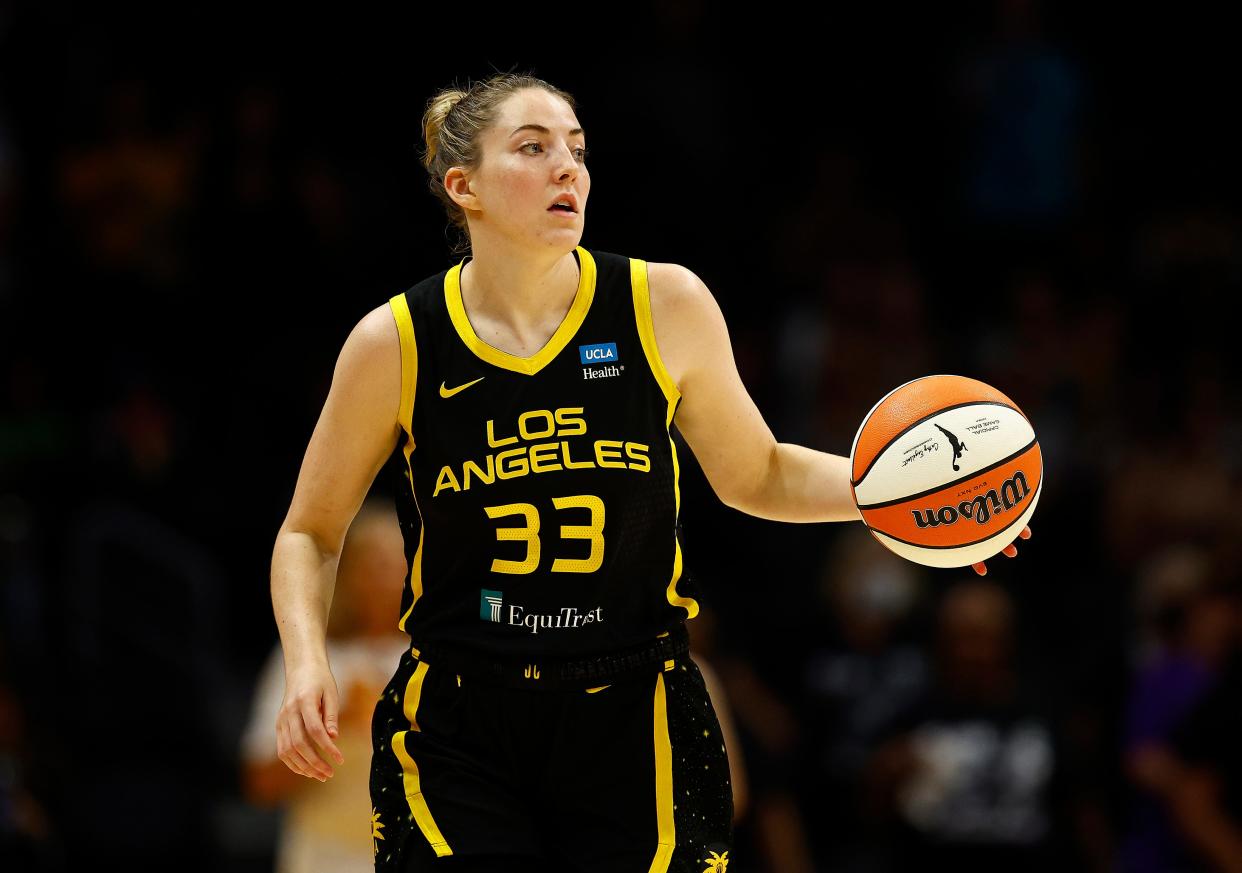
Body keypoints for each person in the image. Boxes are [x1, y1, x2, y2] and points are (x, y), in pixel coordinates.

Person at [267, 70, 1033, 873]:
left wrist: (904, 497)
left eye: (577, 149)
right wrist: (307, 661)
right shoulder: (396, 340)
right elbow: (308, 530)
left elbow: (759, 471)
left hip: (637, 705)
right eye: (533, 148)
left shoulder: (662, 304)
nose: (568, 167)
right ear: (466, 187)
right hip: (462, 715)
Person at [243, 498, 410, 873]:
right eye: (372, 564)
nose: (385, 577)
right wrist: (334, 725)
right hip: (325, 857)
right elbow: (259, 784)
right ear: (344, 573)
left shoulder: (436, 658)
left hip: (417, 853)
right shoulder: (308, 655)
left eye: (396, 562)